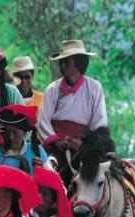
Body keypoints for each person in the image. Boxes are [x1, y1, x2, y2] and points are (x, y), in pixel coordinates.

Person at [37, 40, 107, 170]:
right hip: (56, 145)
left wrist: (83, 143)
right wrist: (55, 140)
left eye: (66, 62)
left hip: (83, 144)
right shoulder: (52, 89)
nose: (62, 66)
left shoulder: (94, 88)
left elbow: (99, 121)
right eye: (61, 62)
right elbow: (43, 120)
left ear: (79, 63)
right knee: (47, 169)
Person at [0, 105, 50, 175]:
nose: (10, 137)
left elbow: (54, 184)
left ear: (24, 133)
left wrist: (43, 170)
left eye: (15, 132)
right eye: (6, 132)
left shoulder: (37, 151)